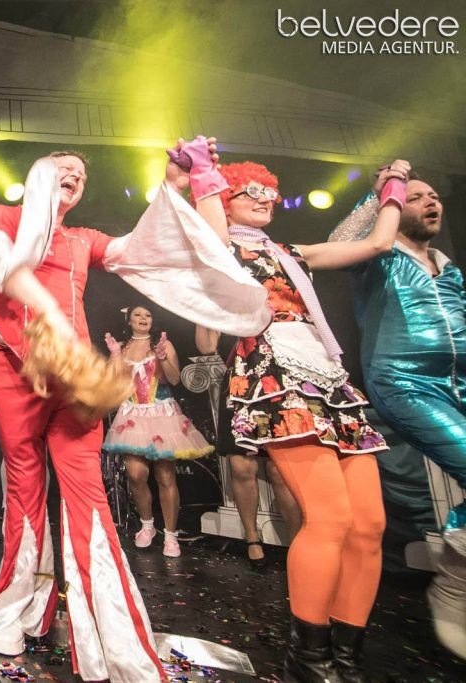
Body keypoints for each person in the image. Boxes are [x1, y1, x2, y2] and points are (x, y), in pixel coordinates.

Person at [0, 138, 272, 682]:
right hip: (13, 365)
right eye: (64, 168)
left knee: (87, 493)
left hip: (76, 379)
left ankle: (108, 630)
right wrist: (49, 319)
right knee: (25, 487)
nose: (75, 176)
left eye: (82, 174)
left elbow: (143, 247)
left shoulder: (83, 240)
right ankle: (15, 611)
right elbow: (1, 269)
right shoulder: (3, 217)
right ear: (40, 174)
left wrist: (173, 184)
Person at [190, 147, 409, 681]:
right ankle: (308, 658)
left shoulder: (292, 253)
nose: (265, 199)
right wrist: (203, 169)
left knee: (369, 526)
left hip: (329, 378)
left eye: (270, 192)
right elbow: (210, 225)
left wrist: (392, 187)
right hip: (275, 375)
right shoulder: (222, 249)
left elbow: (377, 242)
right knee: (330, 519)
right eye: (251, 192)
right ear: (227, 199)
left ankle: (345, 658)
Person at [328, 173, 466, 660]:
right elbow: (339, 242)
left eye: (434, 196)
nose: (431, 202)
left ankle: (456, 566)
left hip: (458, 382)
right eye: (416, 197)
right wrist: (382, 189)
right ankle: (454, 582)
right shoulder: (379, 255)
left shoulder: (449, 269)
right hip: (404, 381)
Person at [103, 306, 213, 558]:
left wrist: (162, 357)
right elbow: (112, 383)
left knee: (165, 477)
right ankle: (147, 524)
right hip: (132, 416)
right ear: (129, 320)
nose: (143, 319)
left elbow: (173, 379)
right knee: (136, 474)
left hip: (162, 414)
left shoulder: (163, 344)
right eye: (138, 315)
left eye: (148, 315)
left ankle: (171, 536)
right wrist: (115, 356)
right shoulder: (122, 347)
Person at [193, 326, 302, 568]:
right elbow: (206, 346)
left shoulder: (272, 306)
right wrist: (199, 311)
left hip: (277, 381)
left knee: (280, 470)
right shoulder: (227, 311)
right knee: (241, 466)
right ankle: (252, 538)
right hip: (239, 385)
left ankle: (298, 544)